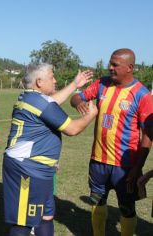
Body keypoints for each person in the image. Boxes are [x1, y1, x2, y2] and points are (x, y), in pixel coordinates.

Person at [2, 63, 97, 236]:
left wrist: (75, 84)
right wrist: (90, 115)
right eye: (52, 77)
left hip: (40, 170)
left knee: (46, 215)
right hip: (27, 169)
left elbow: (52, 101)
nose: (55, 80)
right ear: (39, 82)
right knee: (23, 222)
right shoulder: (40, 102)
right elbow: (73, 129)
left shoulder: (31, 97)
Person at [70, 48, 153, 236]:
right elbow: (76, 97)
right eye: (110, 63)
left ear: (130, 67)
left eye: (115, 65)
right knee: (97, 201)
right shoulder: (102, 84)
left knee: (126, 208)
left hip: (124, 167)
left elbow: (148, 135)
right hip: (98, 161)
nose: (110, 67)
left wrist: (136, 167)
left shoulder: (142, 94)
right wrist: (78, 103)